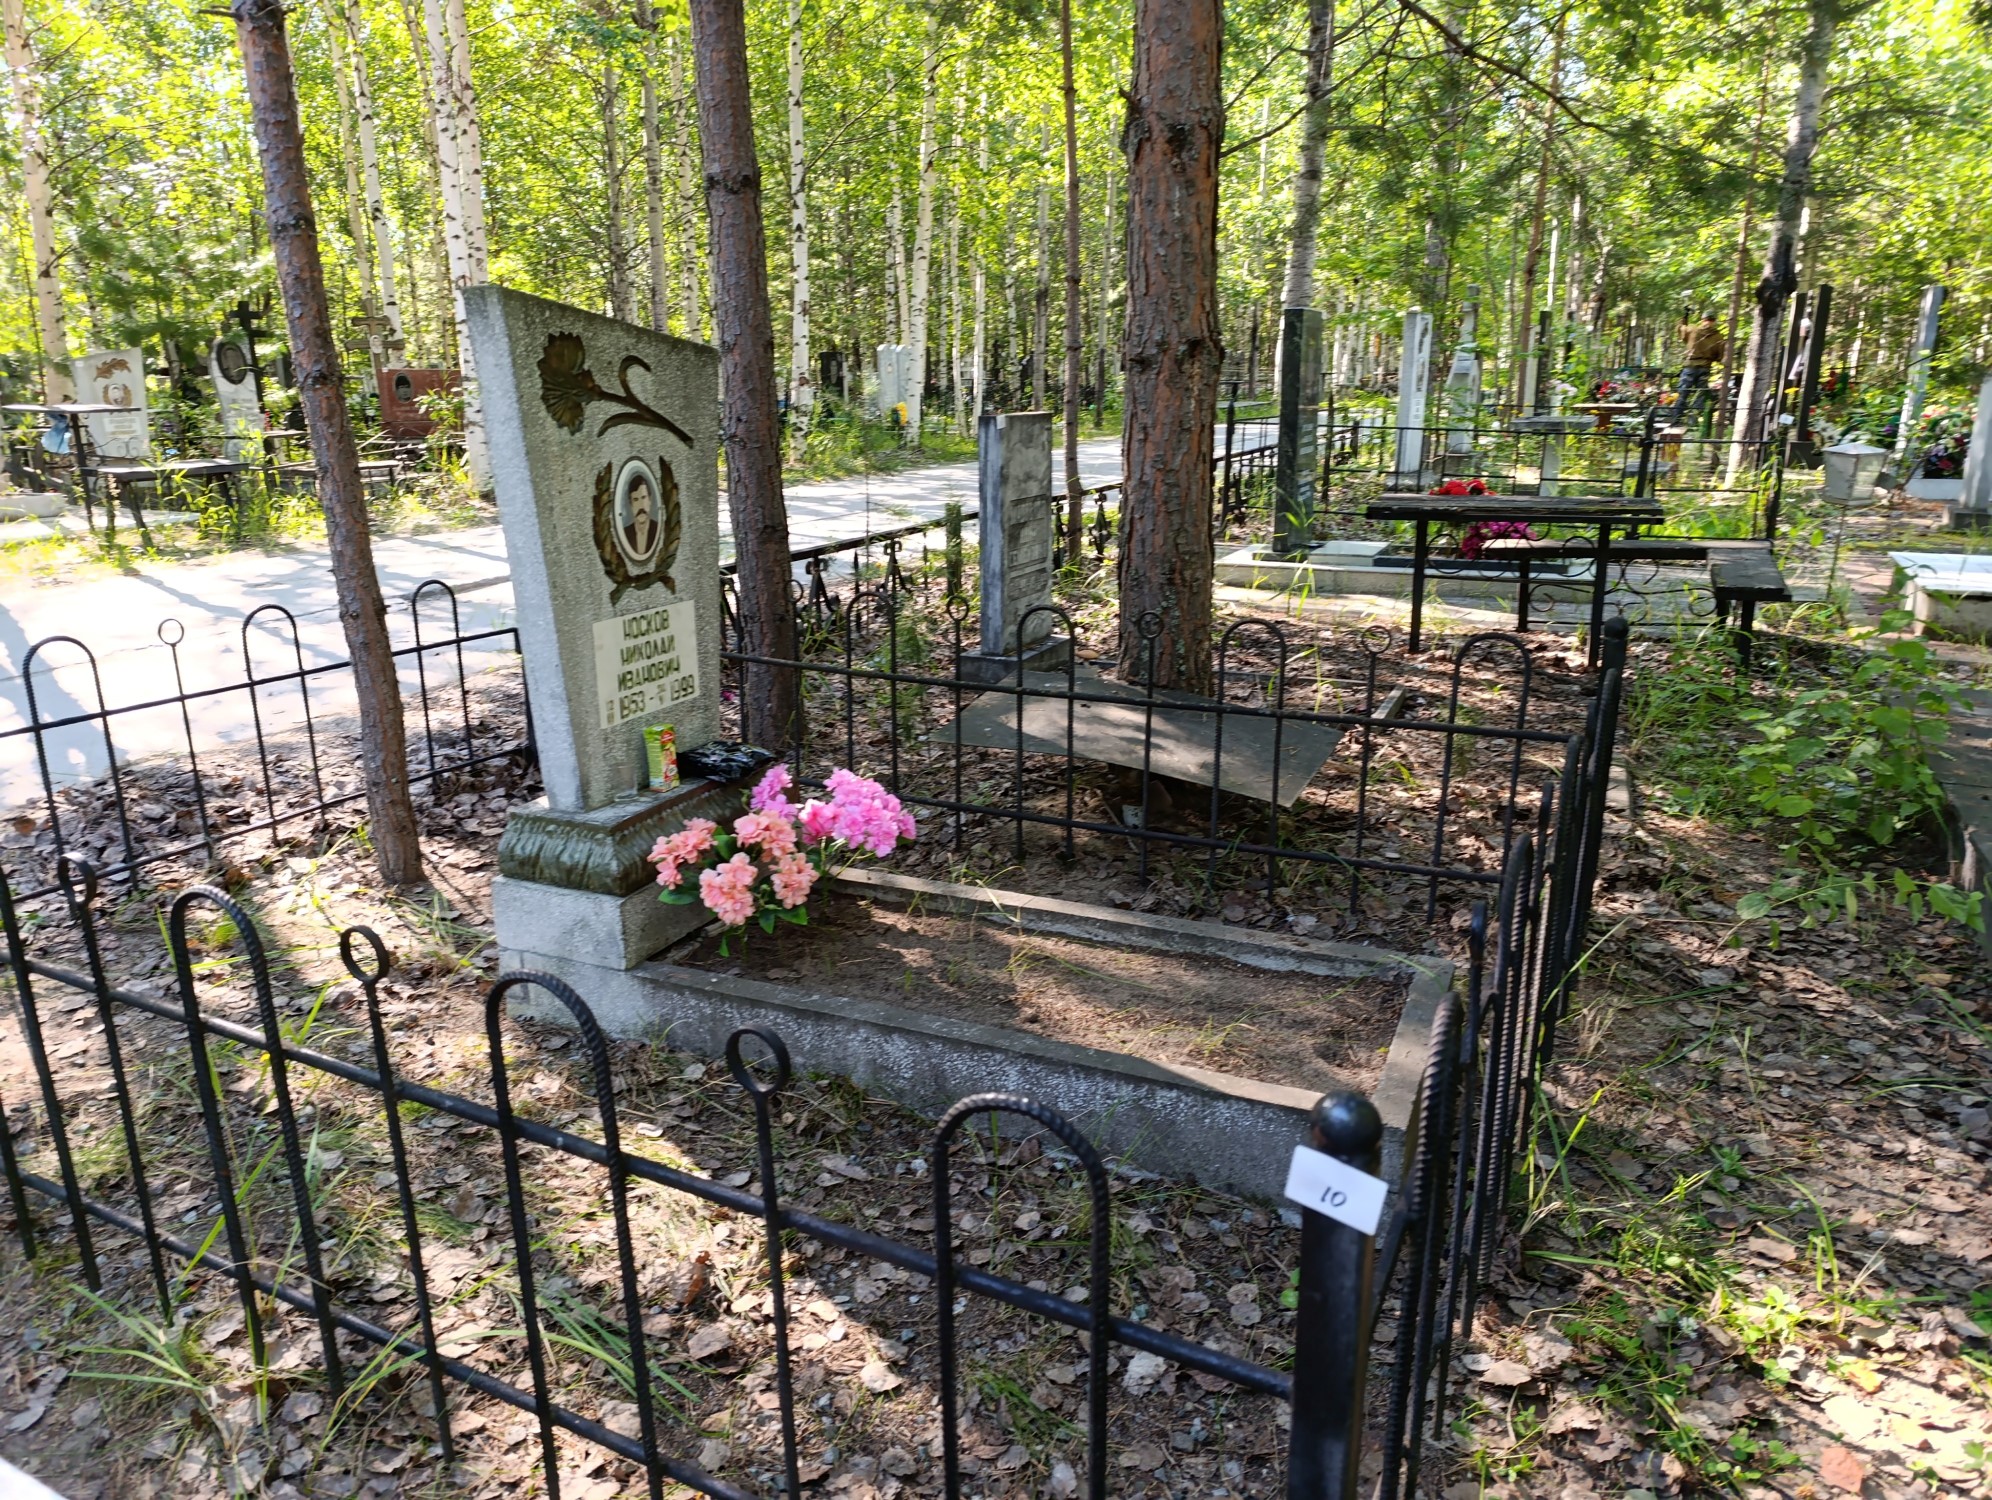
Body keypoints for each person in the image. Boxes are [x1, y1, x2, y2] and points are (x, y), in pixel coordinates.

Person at [1675, 312, 1726, 419]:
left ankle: (1677, 418)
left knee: (1683, 392)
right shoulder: (1718, 336)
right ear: (1714, 321)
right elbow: (1719, 356)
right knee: (1700, 394)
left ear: (1702, 320)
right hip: (1704, 367)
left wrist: (1684, 318)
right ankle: (1693, 419)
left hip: (1690, 367)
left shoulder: (1692, 329)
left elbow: (1680, 330)